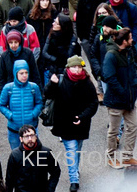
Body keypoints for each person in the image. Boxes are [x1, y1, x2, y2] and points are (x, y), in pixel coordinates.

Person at [45, 55, 97, 191]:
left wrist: (83, 116)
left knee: (77, 150)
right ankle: (74, 179)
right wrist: (52, 83)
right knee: (72, 151)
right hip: (64, 124)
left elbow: (93, 103)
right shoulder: (61, 80)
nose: (77, 70)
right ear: (68, 68)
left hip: (82, 124)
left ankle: (75, 172)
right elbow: (48, 95)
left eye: (79, 67)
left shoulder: (87, 82)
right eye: (74, 67)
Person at [102, 27, 137, 169]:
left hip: (129, 100)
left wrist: (133, 90)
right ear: (124, 41)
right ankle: (111, 157)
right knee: (114, 131)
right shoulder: (111, 55)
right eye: (130, 38)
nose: (132, 40)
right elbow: (109, 77)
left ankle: (127, 157)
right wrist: (123, 92)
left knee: (133, 127)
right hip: (116, 101)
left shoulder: (129, 51)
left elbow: (133, 70)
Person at [0, 59, 41, 150]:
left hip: (31, 129)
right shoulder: (8, 88)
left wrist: (33, 114)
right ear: (16, 73)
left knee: (33, 156)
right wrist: (10, 115)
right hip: (14, 129)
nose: (24, 76)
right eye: (21, 73)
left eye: (26, 72)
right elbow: (1, 105)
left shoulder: (34, 87)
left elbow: (39, 102)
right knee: (17, 155)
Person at [4, 124, 60, 192]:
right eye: (27, 136)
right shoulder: (15, 155)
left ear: (36, 136)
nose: (30, 139)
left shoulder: (46, 153)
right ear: (21, 139)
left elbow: (56, 171)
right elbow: (10, 180)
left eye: (32, 135)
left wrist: (50, 189)